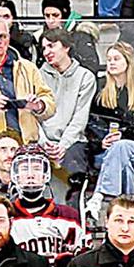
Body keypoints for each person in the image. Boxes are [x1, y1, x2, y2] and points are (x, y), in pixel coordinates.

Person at [85, 41, 134, 213]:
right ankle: (127, 207)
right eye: (109, 59)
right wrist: (101, 141)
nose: (111, 63)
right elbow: (92, 124)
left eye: (116, 59)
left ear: (128, 61)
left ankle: (102, 197)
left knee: (122, 147)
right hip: (108, 152)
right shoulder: (101, 88)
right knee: (122, 161)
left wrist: (123, 136)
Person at [37, 28, 97, 181]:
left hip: (73, 142)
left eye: (51, 46)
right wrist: (44, 142)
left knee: (74, 164)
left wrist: (62, 145)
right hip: (42, 140)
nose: (46, 52)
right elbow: (31, 116)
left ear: (66, 47)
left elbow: (80, 118)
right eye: (44, 48)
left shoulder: (85, 77)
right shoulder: (36, 76)